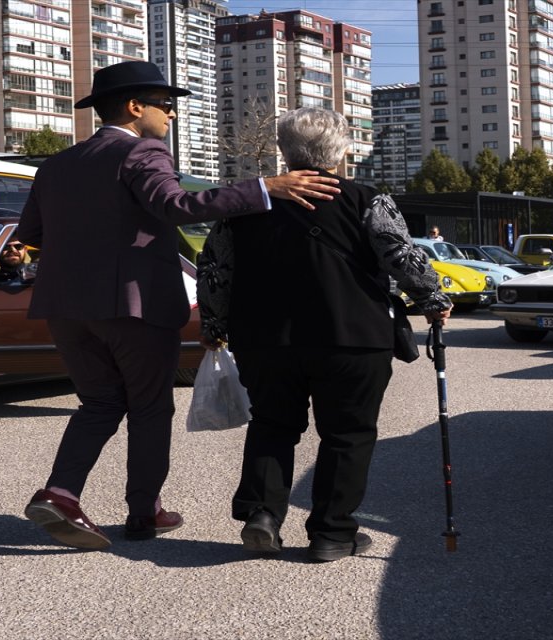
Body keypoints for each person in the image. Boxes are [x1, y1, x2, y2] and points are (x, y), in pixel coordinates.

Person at [16, 61, 340, 550]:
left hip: (66, 307)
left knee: (99, 403)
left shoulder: (57, 164)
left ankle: (60, 493)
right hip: (135, 306)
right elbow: (175, 206)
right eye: (165, 105)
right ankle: (144, 511)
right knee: (149, 408)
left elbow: (33, 234)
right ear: (134, 107)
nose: (171, 114)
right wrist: (264, 188)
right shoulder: (143, 151)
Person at [197, 107, 452, 562]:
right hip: (352, 336)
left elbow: (216, 269)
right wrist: (432, 297)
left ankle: (263, 515)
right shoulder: (366, 199)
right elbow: (399, 254)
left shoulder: (247, 205)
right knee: (347, 433)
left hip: (265, 337)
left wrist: (214, 325)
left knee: (272, 424)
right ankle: (332, 534)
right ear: (342, 150)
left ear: (284, 150)